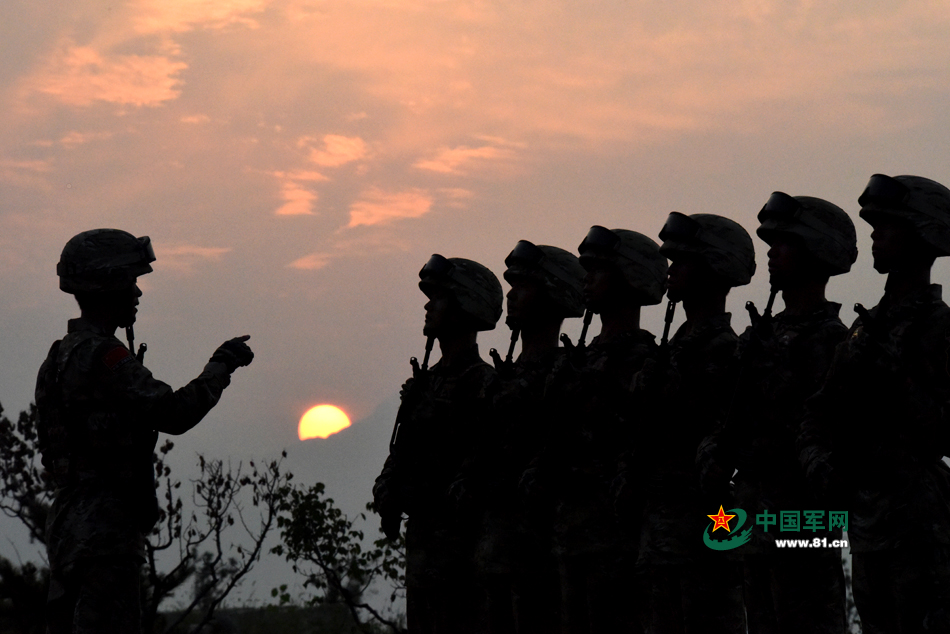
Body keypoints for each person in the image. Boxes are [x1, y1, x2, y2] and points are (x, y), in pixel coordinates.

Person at [36, 228, 254, 634]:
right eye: (130, 281)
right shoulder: (104, 355)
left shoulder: (57, 359)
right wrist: (221, 365)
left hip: (68, 530)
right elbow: (173, 413)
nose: (137, 293)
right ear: (109, 285)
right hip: (105, 535)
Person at [799, 174, 950, 633]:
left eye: (890, 225)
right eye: (875, 224)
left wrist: (897, 377)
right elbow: (819, 411)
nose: (876, 234)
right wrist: (818, 463)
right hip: (866, 528)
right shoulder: (863, 330)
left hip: (920, 531)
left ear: (923, 234)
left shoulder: (939, 328)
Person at [699, 193, 856, 633]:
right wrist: (714, 455)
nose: (772, 253)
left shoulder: (834, 341)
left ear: (817, 250)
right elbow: (722, 416)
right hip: (754, 521)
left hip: (804, 521)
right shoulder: (758, 340)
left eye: (785, 243)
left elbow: (831, 433)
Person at [544, 226, 668, 634]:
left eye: (599, 271)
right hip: (569, 538)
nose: (587, 280)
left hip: (617, 542)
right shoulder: (575, 363)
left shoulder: (645, 362)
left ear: (629, 277)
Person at [636, 212, 754, 634]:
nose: (671, 270)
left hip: (704, 535)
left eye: (683, 261)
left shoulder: (726, 351)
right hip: (661, 537)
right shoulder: (671, 351)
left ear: (713, 268)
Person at [373, 254, 502, 634]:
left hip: (462, 554)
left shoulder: (483, 383)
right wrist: (387, 489)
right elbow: (400, 450)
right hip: (422, 550)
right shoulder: (426, 384)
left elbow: (479, 463)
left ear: (465, 306)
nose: (429, 307)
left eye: (440, 298)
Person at [474, 240, 586, 634]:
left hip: (544, 555)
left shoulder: (567, 377)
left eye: (524, 286)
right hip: (495, 553)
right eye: (512, 285)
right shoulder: (499, 381)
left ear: (554, 294)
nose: (512, 296)